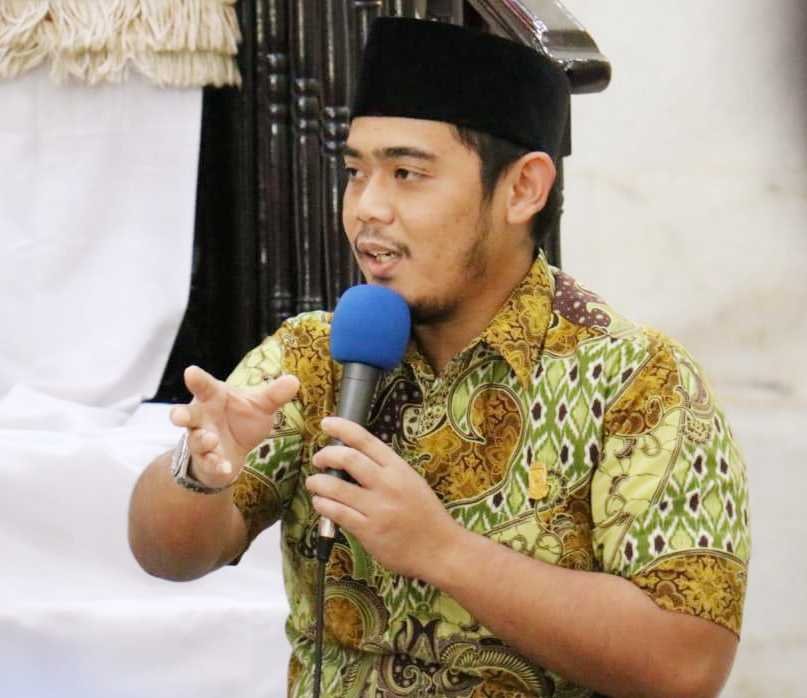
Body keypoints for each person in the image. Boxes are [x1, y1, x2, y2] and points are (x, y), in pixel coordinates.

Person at [128, 17, 750, 698]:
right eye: (355, 173)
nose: (367, 208)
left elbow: (686, 664)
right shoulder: (313, 356)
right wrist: (199, 474)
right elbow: (166, 555)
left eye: (407, 174)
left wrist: (442, 550)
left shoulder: (637, 381)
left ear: (522, 189)